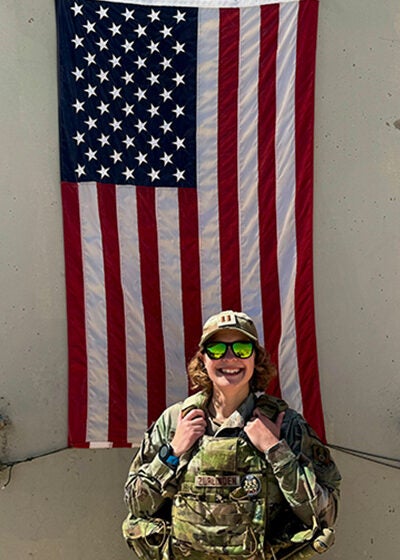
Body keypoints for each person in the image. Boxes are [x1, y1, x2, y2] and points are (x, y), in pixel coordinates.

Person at [123, 310, 341, 560]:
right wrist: (172, 453)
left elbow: (324, 516)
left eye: (241, 348)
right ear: (203, 359)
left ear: (255, 359)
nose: (229, 358)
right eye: (217, 349)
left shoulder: (284, 425)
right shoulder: (175, 421)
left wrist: (275, 449)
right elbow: (136, 505)